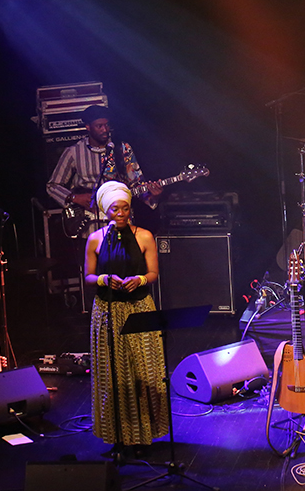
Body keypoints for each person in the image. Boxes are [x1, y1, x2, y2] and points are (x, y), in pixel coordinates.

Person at [84, 181, 169, 452]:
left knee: (143, 371)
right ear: (105, 211)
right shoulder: (96, 238)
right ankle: (118, 436)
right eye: (114, 209)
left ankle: (144, 435)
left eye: (125, 208)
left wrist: (140, 279)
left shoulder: (144, 236)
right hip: (107, 311)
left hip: (139, 308)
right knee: (112, 373)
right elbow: (88, 275)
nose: (120, 214)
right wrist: (103, 279)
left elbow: (153, 273)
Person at [47, 105, 161, 226]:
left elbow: (136, 184)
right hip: (89, 223)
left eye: (107, 125)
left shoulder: (122, 149)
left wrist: (153, 196)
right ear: (88, 127)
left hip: (119, 220)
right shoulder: (74, 152)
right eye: (99, 126)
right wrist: (75, 198)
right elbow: (52, 186)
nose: (105, 129)